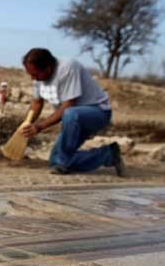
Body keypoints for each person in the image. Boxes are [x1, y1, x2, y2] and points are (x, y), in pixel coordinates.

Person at [20, 48, 125, 176]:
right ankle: (108, 155)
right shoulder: (39, 79)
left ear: (48, 68)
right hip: (73, 120)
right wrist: (25, 124)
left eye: (35, 74)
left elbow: (69, 104)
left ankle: (63, 162)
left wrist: (39, 126)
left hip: (97, 113)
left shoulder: (68, 67)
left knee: (70, 113)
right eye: (31, 74)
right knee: (56, 161)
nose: (33, 78)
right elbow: (37, 103)